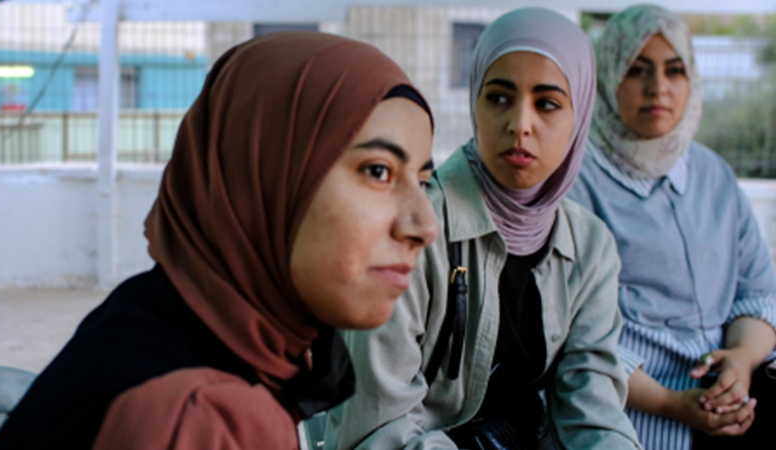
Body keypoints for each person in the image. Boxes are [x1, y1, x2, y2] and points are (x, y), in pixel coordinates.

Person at [0, 32, 438, 450]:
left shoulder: (149, 317)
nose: (424, 226)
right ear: (262, 176)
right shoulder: (204, 418)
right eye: (378, 171)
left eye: (422, 180)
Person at [324, 8, 641, 450]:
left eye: (547, 103)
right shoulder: (408, 230)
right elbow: (378, 427)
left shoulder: (590, 248)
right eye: (498, 97)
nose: (519, 125)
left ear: (580, 116)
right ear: (475, 101)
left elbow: (594, 413)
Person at [567, 5, 776, 449]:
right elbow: (572, 330)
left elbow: (758, 292)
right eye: (637, 70)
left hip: (736, 397)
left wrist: (741, 358)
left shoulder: (713, 174)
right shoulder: (575, 181)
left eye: (674, 70)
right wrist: (669, 403)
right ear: (607, 77)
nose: (658, 87)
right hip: (630, 410)